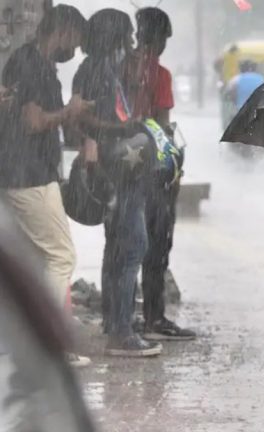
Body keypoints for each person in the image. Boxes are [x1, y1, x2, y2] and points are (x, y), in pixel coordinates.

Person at [0, 4, 92, 367]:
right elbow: (33, 122)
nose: (75, 48)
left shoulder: (27, 61)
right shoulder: (34, 66)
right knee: (60, 256)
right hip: (30, 175)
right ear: (64, 31)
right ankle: (47, 346)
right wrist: (69, 112)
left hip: (18, 172)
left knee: (37, 258)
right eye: (76, 39)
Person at [72, 8, 161, 357]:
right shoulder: (95, 69)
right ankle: (121, 333)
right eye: (127, 34)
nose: (132, 41)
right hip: (118, 172)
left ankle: (116, 321)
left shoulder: (106, 68)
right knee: (131, 247)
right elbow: (84, 118)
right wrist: (120, 131)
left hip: (124, 172)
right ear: (113, 36)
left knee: (119, 248)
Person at [123, 7, 196, 341]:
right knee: (157, 245)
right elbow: (163, 127)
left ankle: (121, 318)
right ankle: (155, 318)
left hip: (123, 166)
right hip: (153, 172)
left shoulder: (123, 66)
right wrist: (173, 168)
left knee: (125, 245)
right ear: (160, 37)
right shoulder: (159, 74)